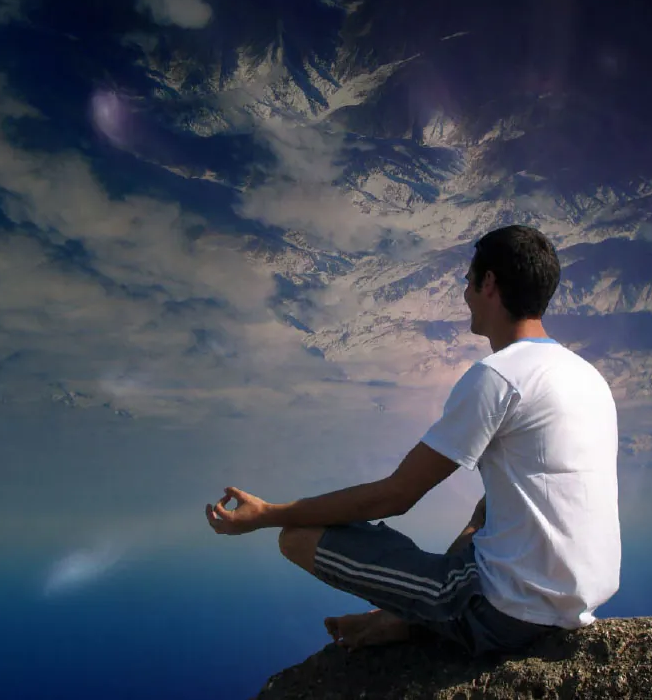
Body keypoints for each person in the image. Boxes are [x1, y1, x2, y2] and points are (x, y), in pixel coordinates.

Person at [206, 225, 621, 658]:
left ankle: (420, 617)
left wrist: (268, 514)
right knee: (487, 508)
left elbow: (394, 496)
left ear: (490, 283)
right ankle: (418, 611)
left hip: (510, 615)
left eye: (467, 280)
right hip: (580, 597)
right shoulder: (586, 376)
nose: (465, 292)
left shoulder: (498, 376)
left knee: (297, 535)